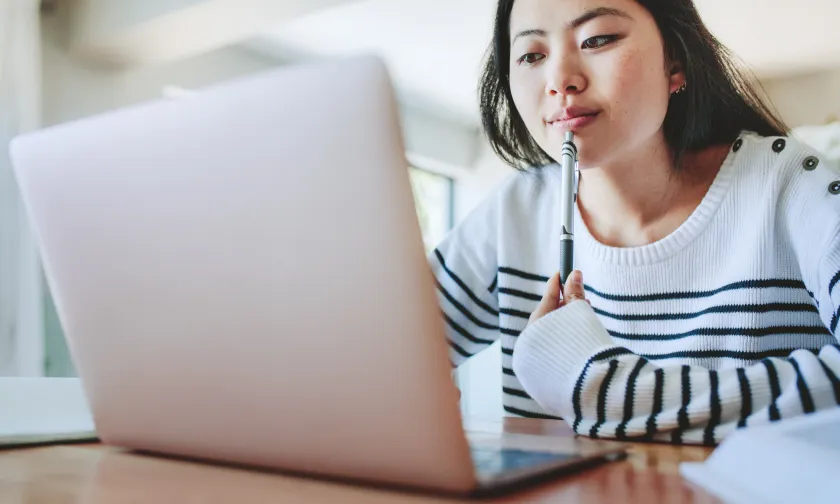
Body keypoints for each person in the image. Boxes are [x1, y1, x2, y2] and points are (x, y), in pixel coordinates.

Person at [429, 0, 840, 445]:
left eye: (597, 39)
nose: (560, 80)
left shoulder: (792, 186)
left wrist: (606, 391)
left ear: (676, 62)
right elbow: (378, 354)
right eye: (531, 55)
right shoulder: (514, 211)